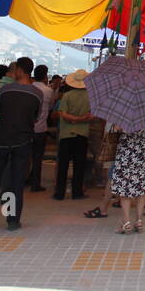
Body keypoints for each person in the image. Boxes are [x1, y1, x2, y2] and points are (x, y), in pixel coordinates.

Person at [0, 58, 42, 233]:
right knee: (15, 182)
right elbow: (36, 117)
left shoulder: (6, 89)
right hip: (23, 141)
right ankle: (12, 220)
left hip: (1, 139)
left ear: (20, 71)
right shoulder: (37, 94)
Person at [54, 69, 93, 200]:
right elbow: (92, 116)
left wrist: (73, 119)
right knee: (79, 164)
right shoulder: (90, 97)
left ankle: (59, 193)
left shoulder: (67, 96)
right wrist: (81, 119)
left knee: (63, 165)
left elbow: (62, 114)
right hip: (82, 134)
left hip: (66, 134)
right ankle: (77, 192)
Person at [28, 63, 53, 192]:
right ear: (45, 76)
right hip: (41, 128)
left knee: (25, 157)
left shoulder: (29, 88)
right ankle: (35, 183)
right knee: (38, 158)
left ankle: (23, 179)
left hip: (27, 128)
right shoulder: (48, 91)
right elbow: (50, 108)